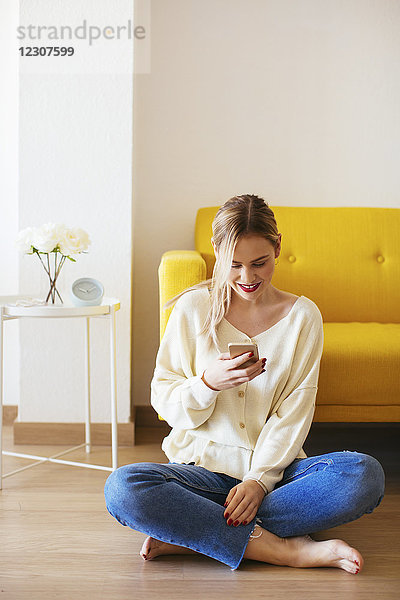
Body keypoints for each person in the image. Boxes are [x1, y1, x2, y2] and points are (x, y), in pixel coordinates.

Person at [104, 194, 385, 573]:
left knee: (363, 475)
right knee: (124, 488)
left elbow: (293, 414)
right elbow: (164, 400)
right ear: (216, 251)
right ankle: (281, 550)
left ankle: (195, 535)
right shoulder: (193, 308)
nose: (247, 278)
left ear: (278, 248)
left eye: (259, 263)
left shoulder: (303, 317)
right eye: (233, 265)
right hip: (199, 471)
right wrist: (207, 383)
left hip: (275, 474)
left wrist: (258, 481)